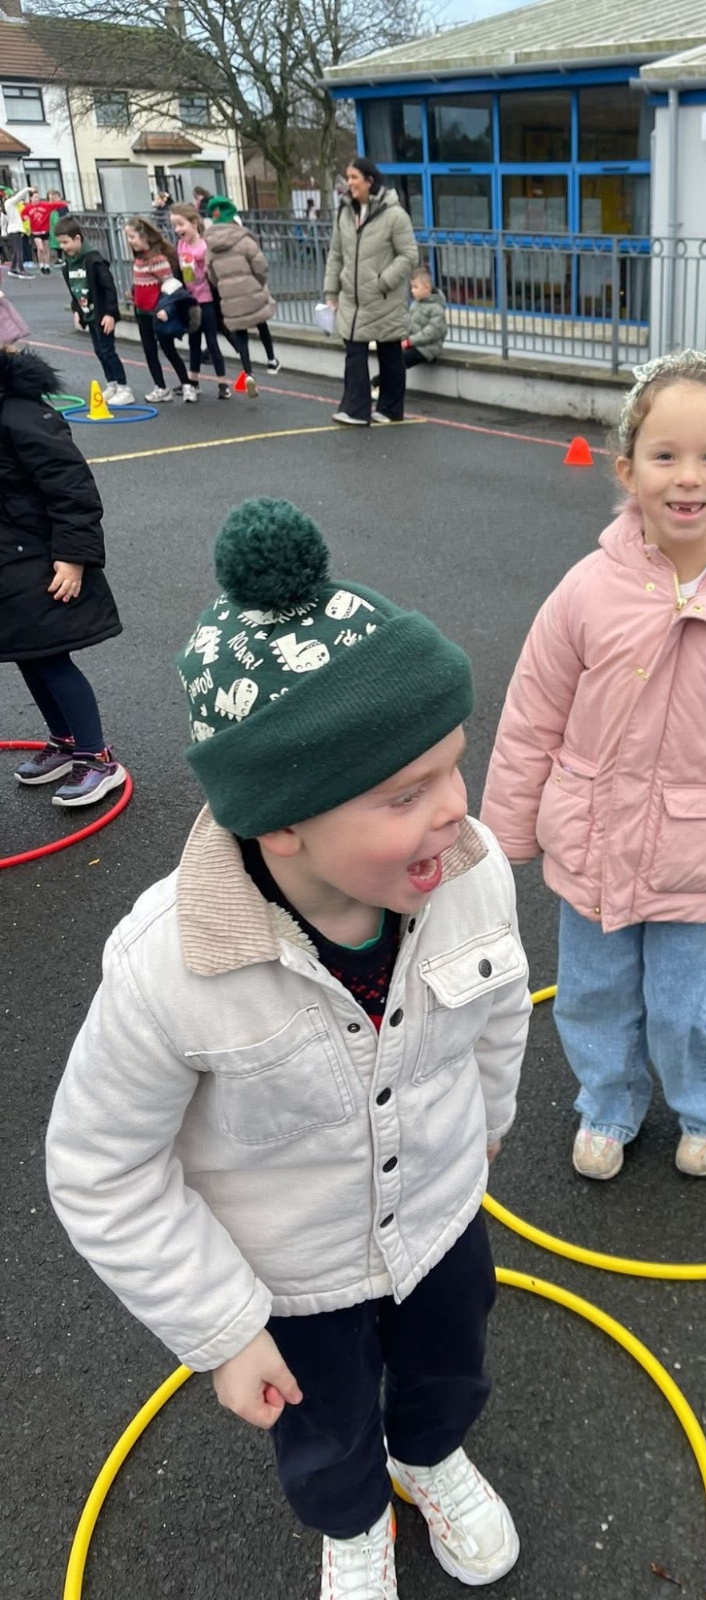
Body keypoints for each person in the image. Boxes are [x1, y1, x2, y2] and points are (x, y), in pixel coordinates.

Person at [45, 497, 529, 1599]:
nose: (453, 812)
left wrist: (490, 1128)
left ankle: (429, 1459)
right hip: (292, 1280)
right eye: (405, 793)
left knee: (450, 1367)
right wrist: (221, 1329)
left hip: (440, 1219)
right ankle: (353, 1521)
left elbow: (501, 1015)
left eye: (454, 767)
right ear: (283, 819)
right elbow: (100, 1167)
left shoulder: (470, 876)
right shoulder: (172, 966)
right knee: (325, 1425)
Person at [482, 349, 706, 1180]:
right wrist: (507, 828)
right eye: (665, 455)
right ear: (628, 469)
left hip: (696, 853)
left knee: (683, 998)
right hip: (593, 842)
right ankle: (608, 1101)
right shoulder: (587, 588)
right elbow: (533, 712)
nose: (688, 477)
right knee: (592, 990)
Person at [2, 343, 125, 808]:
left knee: (51, 657)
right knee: (28, 655)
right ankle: (66, 740)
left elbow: (72, 487)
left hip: (40, 558)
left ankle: (97, 757)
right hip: (8, 562)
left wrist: (74, 557)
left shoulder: (21, 415)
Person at [324, 157, 419, 426]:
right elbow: (336, 254)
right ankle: (356, 409)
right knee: (354, 351)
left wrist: (383, 281)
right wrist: (331, 291)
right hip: (352, 299)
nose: (349, 183)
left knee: (390, 353)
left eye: (354, 177)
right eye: (348, 177)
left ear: (369, 181)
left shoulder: (394, 215)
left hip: (382, 298)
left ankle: (390, 409)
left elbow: (409, 255)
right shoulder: (344, 212)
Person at [203, 197, 280, 396]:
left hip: (229, 296)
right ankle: (271, 360)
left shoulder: (211, 247)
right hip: (252, 290)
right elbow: (261, 266)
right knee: (261, 321)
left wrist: (223, 287)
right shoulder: (245, 240)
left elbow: (211, 275)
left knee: (241, 333)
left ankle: (248, 373)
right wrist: (259, 283)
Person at [57, 217, 135, 407]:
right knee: (99, 350)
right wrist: (77, 310)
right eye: (60, 243)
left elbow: (108, 288)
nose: (62, 247)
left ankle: (124, 387)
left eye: (65, 242)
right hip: (88, 313)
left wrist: (110, 313)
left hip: (101, 313)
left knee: (108, 350)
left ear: (77, 238)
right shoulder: (69, 264)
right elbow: (74, 290)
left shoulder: (93, 260)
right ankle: (112, 383)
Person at [125, 216, 192, 403]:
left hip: (157, 314)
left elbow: (170, 287)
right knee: (150, 352)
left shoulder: (158, 260)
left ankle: (187, 384)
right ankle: (161, 387)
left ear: (144, 236)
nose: (130, 241)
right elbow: (141, 282)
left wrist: (167, 310)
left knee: (169, 350)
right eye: (128, 237)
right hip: (142, 313)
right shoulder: (138, 259)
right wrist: (133, 293)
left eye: (132, 237)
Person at [169, 203, 231, 400]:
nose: (177, 229)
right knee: (193, 342)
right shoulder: (181, 245)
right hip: (190, 301)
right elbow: (181, 272)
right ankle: (193, 382)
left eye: (181, 224)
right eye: (174, 225)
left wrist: (202, 268)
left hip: (206, 301)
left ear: (194, 223)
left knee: (211, 341)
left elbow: (212, 274)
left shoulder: (204, 246)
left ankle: (223, 383)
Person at [403, 265, 447, 370]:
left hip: (427, 348)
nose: (412, 291)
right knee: (391, 357)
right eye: (411, 287)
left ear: (427, 287)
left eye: (415, 287)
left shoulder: (437, 308)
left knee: (398, 362)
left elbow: (431, 333)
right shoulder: (415, 305)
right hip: (415, 345)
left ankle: (378, 379)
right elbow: (408, 324)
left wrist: (410, 341)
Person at [25, 187, 68, 274]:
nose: (37, 199)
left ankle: (47, 266)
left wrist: (64, 203)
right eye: (35, 197)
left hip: (45, 230)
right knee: (40, 248)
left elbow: (55, 205)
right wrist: (25, 218)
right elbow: (22, 214)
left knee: (46, 248)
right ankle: (41, 264)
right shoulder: (28, 207)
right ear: (31, 198)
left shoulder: (44, 205)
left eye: (38, 197)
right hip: (35, 232)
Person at [3, 185, 31, 278]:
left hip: (11, 230)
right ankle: (22, 270)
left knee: (16, 250)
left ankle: (13, 268)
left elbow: (3, 221)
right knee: (19, 250)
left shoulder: (4, 206)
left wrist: (3, 231)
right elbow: (19, 197)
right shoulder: (10, 202)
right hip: (15, 230)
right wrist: (27, 189)